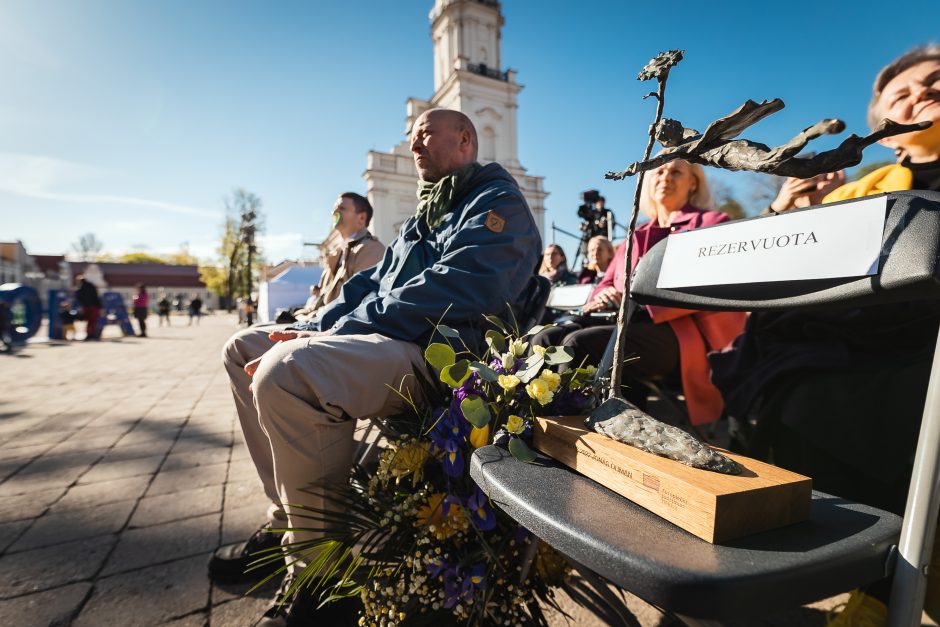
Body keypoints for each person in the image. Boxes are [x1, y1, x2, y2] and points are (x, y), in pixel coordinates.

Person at [211, 108, 541, 625]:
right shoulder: (424, 214)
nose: (414, 145)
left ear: (466, 141)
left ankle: (321, 571)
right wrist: (314, 322)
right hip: (397, 341)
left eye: (426, 134)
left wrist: (333, 332)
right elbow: (368, 287)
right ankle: (291, 520)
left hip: (448, 357)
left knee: (287, 372)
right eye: (411, 137)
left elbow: (458, 290)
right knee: (243, 348)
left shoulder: (496, 202)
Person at [710, 44, 940, 624]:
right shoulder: (859, 188)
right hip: (819, 358)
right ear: (886, 130)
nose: (922, 95)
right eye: (902, 93)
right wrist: (787, 217)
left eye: (936, 82)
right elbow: (763, 284)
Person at [532, 159, 746, 424]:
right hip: (624, 325)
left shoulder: (711, 223)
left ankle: (569, 431)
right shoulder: (638, 232)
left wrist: (637, 303)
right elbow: (607, 281)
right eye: (659, 171)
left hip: (679, 334)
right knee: (546, 337)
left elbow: (711, 283)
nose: (665, 177)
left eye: (676, 172)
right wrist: (603, 296)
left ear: (693, 182)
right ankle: (532, 423)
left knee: (577, 344)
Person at [289, 193, 385, 322]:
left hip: (334, 326)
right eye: (334, 208)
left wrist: (309, 318)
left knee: (253, 336)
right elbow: (321, 300)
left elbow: (355, 305)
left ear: (361, 218)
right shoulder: (336, 253)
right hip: (317, 321)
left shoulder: (371, 249)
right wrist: (298, 313)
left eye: (342, 208)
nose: (335, 211)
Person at [75, 275, 102, 341]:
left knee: (90, 321)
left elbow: (79, 297)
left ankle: (90, 334)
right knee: (93, 321)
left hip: (87, 307)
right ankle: (92, 334)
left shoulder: (81, 288)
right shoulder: (91, 286)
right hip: (94, 306)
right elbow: (96, 297)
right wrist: (100, 306)